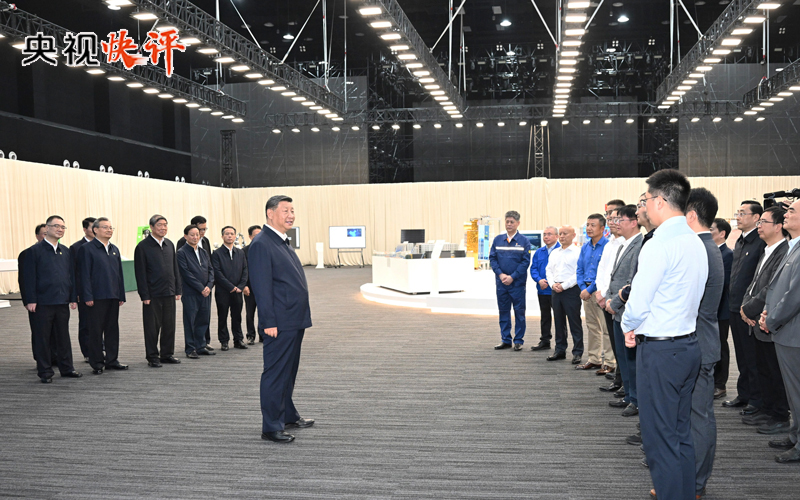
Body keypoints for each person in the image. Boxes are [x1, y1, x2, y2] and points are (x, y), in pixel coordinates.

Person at [621, 170, 707, 500]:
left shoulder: (659, 244)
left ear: (659, 201)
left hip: (660, 352)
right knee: (680, 433)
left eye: (644, 200)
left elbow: (639, 301)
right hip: (687, 346)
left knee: (659, 439)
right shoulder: (695, 241)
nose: (643, 207)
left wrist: (628, 325)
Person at [249, 195, 314, 443]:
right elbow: (261, 287)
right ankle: (271, 427)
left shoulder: (281, 241)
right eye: (285, 210)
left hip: (293, 319)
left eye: (292, 210)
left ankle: (287, 414)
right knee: (276, 373)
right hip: (279, 322)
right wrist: (268, 322)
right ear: (270, 213)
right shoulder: (262, 243)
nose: (291, 215)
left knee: (288, 371)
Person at [685, 188, 725, 499]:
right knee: (696, 415)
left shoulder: (700, 249)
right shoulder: (706, 246)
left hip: (697, 342)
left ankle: (695, 483)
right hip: (701, 340)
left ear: (690, 215)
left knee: (698, 417)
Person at [740, 207, 790, 434]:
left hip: (769, 321)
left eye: (763, 222)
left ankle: (780, 415)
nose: (759, 226)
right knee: (763, 369)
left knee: (775, 371)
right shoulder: (767, 250)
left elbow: (771, 288)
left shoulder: (784, 252)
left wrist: (749, 309)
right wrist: (744, 306)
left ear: (778, 226)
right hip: (757, 321)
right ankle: (768, 409)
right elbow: (753, 284)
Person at [760, 199, 800, 463]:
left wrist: (771, 319)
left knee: (797, 392)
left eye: (792, 211)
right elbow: (778, 288)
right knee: (793, 393)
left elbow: (794, 296)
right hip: (786, 331)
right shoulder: (793, 246)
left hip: (793, 333)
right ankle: (795, 435)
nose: (786, 214)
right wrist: (768, 312)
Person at [23, 216, 83, 383]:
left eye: (63, 227)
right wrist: (30, 300)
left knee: (63, 337)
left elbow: (71, 276)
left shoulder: (66, 251)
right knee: (42, 338)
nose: (60, 229)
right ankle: (45, 372)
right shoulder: (33, 251)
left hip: (62, 301)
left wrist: (72, 297)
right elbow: (28, 278)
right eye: (56, 226)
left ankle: (67, 368)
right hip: (42, 303)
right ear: (47, 228)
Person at [723, 201, 766, 416]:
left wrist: (750, 307)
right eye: (737, 213)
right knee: (741, 354)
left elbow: (760, 281)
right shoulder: (739, 241)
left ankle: (756, 400)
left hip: (749, 310)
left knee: (752, 357)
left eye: (742, 213)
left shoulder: (760, 243)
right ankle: (744, 394)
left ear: (756, 217)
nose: (738, 217)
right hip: (734, 307)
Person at [604, 205, 643, 418]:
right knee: (622, 356)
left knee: (631, 359)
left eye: (621, 220)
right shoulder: (623, 244)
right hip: (617, 309)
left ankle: (636, 400)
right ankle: (628, 395)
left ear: (633, 222)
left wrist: (616, 302)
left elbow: (632, 280)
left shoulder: (640, 244)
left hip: (627, 310)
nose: (616, 224)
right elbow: (614, 277)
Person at [78, 218, 128, 374]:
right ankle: (97, 363)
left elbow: (119, 274)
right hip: (96, 297)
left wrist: (121, 294)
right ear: (95, 230)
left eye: (111, 228)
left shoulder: (114, 249)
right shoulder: (87, 249)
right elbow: (84, 275)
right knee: (95, 331)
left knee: (112, 329)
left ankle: (112, 360)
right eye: (105, 227)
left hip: (113, 296)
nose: (109, 230)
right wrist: (87, 296)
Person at [134, 215, 183, 368]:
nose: (163, 228)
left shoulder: (169, 244)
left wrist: (177, 288)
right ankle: (152, 356)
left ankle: (167, 354)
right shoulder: (143, 246)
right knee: (152, 327)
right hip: (152, 294)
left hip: (169, 291)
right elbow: (140, 273)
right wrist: (144, 295)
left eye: (165, 225)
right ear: (151, 227)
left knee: (169, 325)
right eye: (160, 225)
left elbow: (175, 268)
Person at [489, 211, 532, 351]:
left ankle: (518, 340)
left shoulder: (524, 241)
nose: (509, 224)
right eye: (507, 221)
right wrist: (501, 275)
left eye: (512, 222)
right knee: (503, 311)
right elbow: (493, 259)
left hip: (517, 284)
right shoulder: (498, 240)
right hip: (501, 284)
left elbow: (525, 262)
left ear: (518, 223)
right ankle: (505, 339)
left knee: (519, 312)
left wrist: (512, 276)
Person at [595, 199, 627, 381]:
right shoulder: (610, 244)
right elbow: (602, 271)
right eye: (608, 215)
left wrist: (606, 295)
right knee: (615, 342)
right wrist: (600, 292)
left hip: (617, 300)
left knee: (622, 343)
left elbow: (620, 276)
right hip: (605, 299)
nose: (610, 219)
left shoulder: (626, 243)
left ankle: (622, 379)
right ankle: (619, 376)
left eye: (615, 215)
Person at [575, 214, 611, 371]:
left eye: (593, 225)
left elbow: (604, 273)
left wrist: (589, 290)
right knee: (592, 326)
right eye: (587, 225)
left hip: (601, 291)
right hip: (586, 291)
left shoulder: (608, 246)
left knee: (606, 329)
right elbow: (579, 269)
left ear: (602, 228)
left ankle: (610, 362)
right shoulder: (585, 247)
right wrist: (583, 288)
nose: (589, 228)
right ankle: (594, 359)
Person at [545, 225, 583, 363]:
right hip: (556, 289)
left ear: (573, 235)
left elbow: (579, 273)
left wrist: (564, 285)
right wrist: (552, 284)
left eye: (565, 233)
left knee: (574, 321)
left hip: (571, 290)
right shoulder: (555, 252)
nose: (562, 236)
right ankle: (560, 350)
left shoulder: (578, 252)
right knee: (558, 321)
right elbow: (549, 270)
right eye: (560, 234)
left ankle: (577, 352)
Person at [177, 225, 216, 359]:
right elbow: (186, 273)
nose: (195, 237)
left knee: (203, 319)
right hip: (191, 292)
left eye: (197, 235)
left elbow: (211, 270)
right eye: (192, 235)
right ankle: (190, 348)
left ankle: (201, 346)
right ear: (185, 236)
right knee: (190, 321)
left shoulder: (203, 251)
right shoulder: (181, 252)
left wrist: (209, 286)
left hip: (206, 292)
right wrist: (201, 288)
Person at [19, 223, 53, 361]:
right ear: (37, 236)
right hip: (38, 301)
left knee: (57, 332)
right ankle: (41, 359)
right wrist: (28, 300)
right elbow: (24, 280)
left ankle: (56, 357)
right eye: (44, 234)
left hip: (56, 299)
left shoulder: (59, 251)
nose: (47, 236)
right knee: (40, 332)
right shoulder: (28, 253)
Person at [212, 226, 249, 351]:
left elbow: (245, 270)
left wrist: (240, 286)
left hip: (238, 291)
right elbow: (217, 273)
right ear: (222, 236)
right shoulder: (216, 253)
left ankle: (238, 339)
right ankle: (224, 341)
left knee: (237, 316)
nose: (229, 236)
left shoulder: (240, 253)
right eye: (227, 233)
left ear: (235, 236)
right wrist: (230, 287)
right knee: (222, 316)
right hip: (223, 291)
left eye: (232, 234)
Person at [711, 218, 734, 400]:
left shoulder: (727, 254)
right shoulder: (709, 252)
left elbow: (723, 282)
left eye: (711, 229)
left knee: (720, 346)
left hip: (721, 309)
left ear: (722, 234)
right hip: (708, 310)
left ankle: (720, 384)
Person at [70, 217, 96, 363]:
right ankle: (87, 352)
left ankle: (100, 349)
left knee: (100, 323)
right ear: (85, 229)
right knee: (86, 323)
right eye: (92, 227)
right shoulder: (76, 247)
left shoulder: (103, 245)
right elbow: (74, 273)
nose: (95, 229)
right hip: (84, 293)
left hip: (100, 292)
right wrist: (76, 293)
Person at [529, 226, 560, 351]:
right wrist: (539, 280)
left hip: (557, 290)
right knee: (545, 316)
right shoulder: (539, 252)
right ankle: (545, 340)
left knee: (559, 318)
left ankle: (560, 344)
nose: (546, 237)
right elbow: (533, 268)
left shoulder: (561, 251)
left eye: (549, 234)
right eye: (544, 234)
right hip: (542, 290)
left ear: (556, 236)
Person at [244, 225, 262, 344]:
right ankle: (250, 335)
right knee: (250, 313)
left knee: (263, 312)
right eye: (256, 235)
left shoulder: (267, 249)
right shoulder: (244, 251)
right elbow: (243, 270)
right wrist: (244, 285)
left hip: (263, 288)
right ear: (250, 237)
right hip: (249, 287)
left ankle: (263, 334)